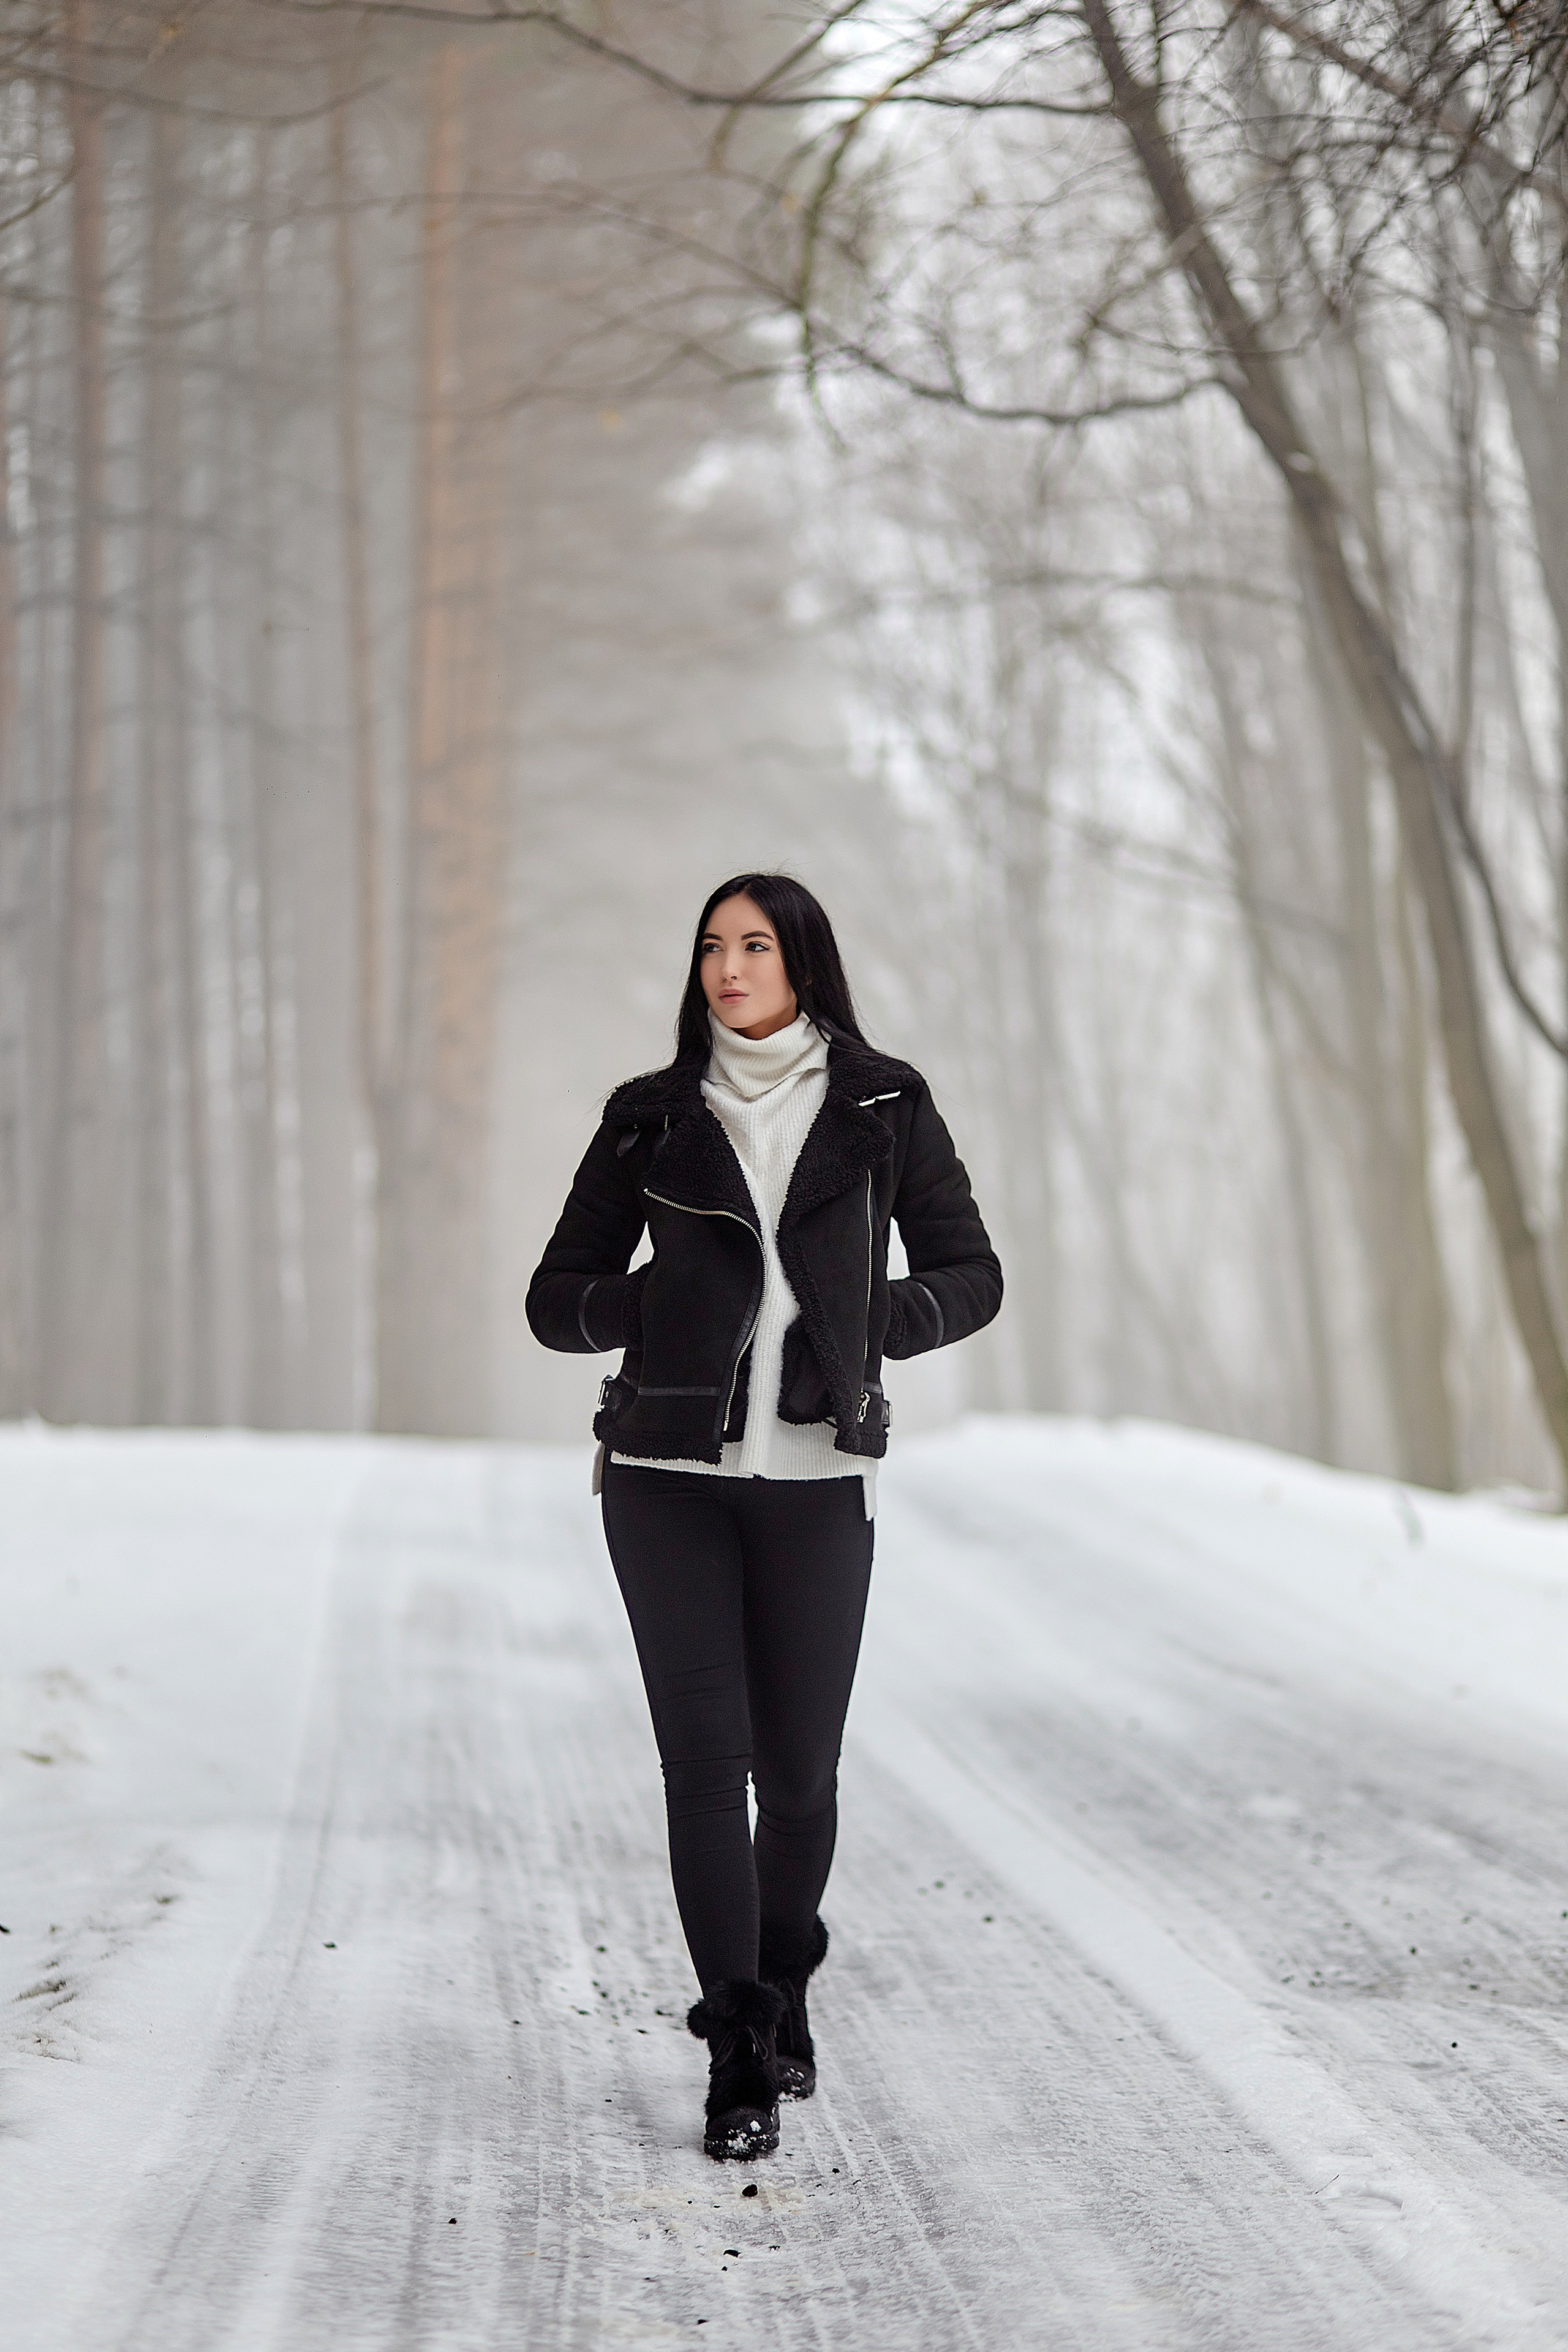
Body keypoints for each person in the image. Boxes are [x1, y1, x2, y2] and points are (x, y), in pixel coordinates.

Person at [527, 872, 1002, 2160]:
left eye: (752, 945)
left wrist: (866, 1334)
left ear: (802, 961)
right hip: (661, 1485)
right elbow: (554, 1297)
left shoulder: (882, 1103)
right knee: (702, 1768)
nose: (726, 968)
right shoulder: (648, 1118)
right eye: (708, 948)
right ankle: (737, 2044)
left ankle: (784, 1978)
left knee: (795, 1778)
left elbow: (972, 1274)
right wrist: (645, 1310)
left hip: (814, 1487)